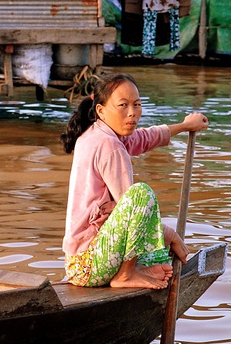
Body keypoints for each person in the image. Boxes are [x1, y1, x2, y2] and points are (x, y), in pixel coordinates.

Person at [59, 73, 208, 289]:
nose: (132, 113)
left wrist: (185, 126)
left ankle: (131, 270)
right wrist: (171, 235)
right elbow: (131, 210)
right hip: (89, 265)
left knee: (161, 263)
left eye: (136, 105)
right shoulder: (109, 146)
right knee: (140, 195)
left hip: (78, 264)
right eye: (123, 105)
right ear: (100, 110)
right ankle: (125, 275)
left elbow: (144, 138)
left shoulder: (97, 133)